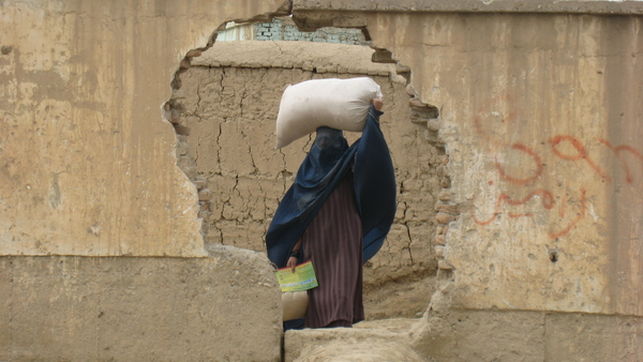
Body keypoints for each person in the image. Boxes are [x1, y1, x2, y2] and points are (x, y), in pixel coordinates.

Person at [266, 98, 396, 329]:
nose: (328, 146)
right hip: (317, 240)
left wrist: (373, 118)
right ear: (315, 145)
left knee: (342, 280)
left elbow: (371, 151)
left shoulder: (348, 165)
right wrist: (294, 251)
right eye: (322, 142)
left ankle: (340, 324)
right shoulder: (307, 178)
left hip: (346, 233)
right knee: (318, 286)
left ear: (343, 144)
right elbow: (297, 217)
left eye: (333, 141)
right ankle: (320, 328)